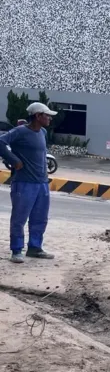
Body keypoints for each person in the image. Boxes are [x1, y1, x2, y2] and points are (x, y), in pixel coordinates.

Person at [0, 102, 57, 263]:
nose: (50, 119)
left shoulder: (43, 132)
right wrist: (14, 160)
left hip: (41, 183)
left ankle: (35, 247)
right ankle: (16, 250)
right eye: (47, 115)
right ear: (38, 116)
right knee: (19, 218)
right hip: (24, 183)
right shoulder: (20, 131)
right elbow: (1, 143)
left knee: (40, 218)